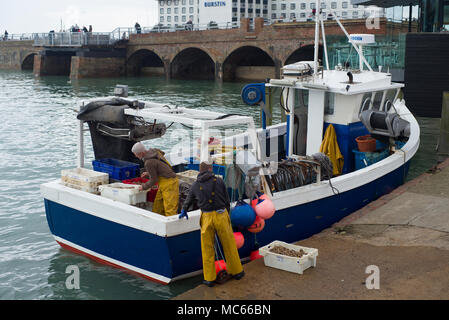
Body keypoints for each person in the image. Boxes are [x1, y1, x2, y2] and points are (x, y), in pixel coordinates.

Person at [179, 162, 245, 287]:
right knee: (229, 244)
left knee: (207, 248)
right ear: (210, 169)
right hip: (221, 215)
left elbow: (188, 200)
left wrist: (184, 210)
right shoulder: (219, 181)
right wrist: (226, 213)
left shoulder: (195, 185)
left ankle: (209, 279)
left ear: (199, 171)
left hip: (207, 217)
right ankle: (237, 272)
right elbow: (226, 199)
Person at [132, 142, 179, 216]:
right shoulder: (154, 151)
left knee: (170, 209)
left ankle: (172, 225)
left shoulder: (148, 162)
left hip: (170, 183)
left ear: (141, 153)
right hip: (163, 182)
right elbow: (159, 164)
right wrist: (149, 173)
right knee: (157, 207)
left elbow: (154, 180)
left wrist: (143, 187)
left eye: (136, 154)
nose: (136, 156)